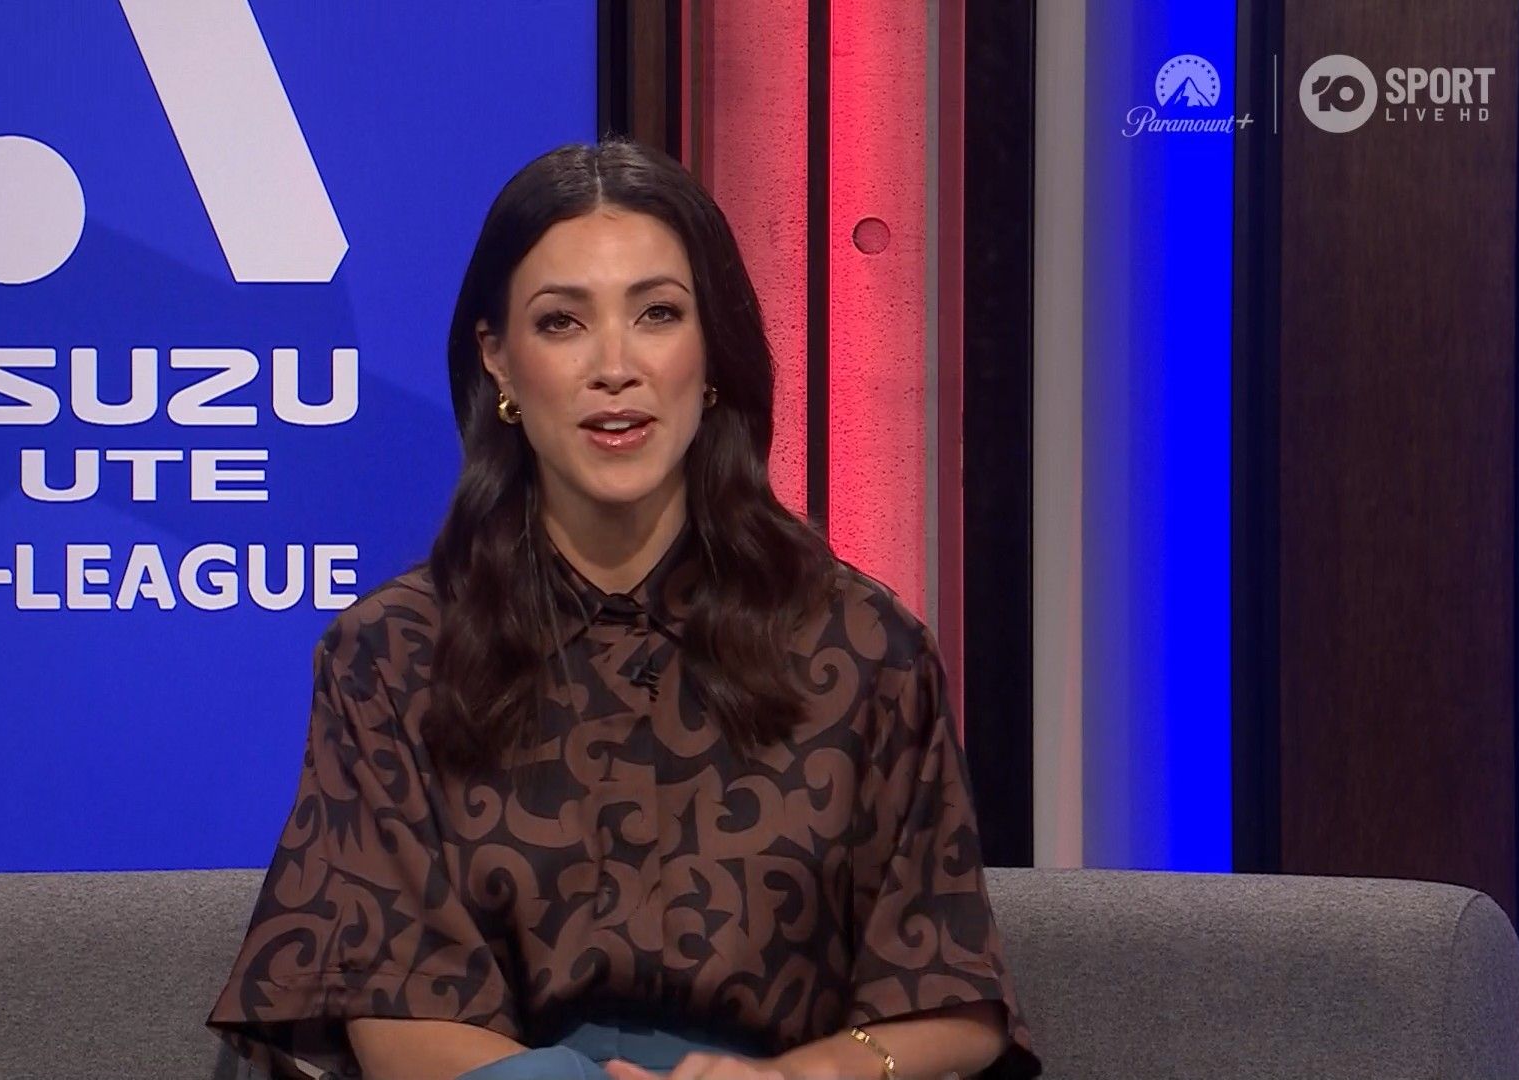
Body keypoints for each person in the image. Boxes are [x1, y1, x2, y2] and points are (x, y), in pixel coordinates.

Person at [205, 139, 1042, 1080]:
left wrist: (796, 1079)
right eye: (562, 322)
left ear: (711, 351)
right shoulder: (393, 655)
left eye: (658, 314)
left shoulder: (863, 648)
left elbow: (954, 999)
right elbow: (389, 1016)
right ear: (499, 362)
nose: (615, 366)